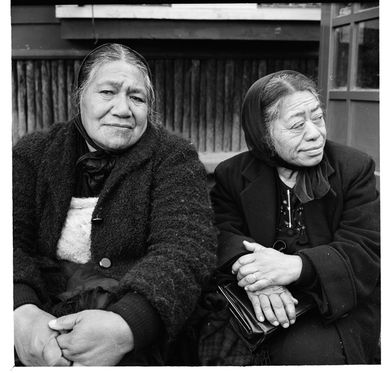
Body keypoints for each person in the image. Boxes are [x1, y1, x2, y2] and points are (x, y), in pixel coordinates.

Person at [13, 43, 216, 366]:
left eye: (137, 98)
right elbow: (9, 243)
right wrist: (20, 312)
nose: (123, 109)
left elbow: (186, 249)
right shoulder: (33, 154)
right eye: (108, 92)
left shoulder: (174, 158)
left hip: (135, 326)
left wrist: (128, 325)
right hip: (40, 319)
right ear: (80, 96)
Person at [208, 70, 380, 365]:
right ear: (263, 136)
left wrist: (296, 266)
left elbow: (364, 250)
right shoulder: (232, 175)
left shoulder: (354, 168)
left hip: (330, 305)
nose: (315, 133)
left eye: (318, 117)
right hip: (254, 302)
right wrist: (259, 278)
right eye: (298, 125)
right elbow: (220, 231)